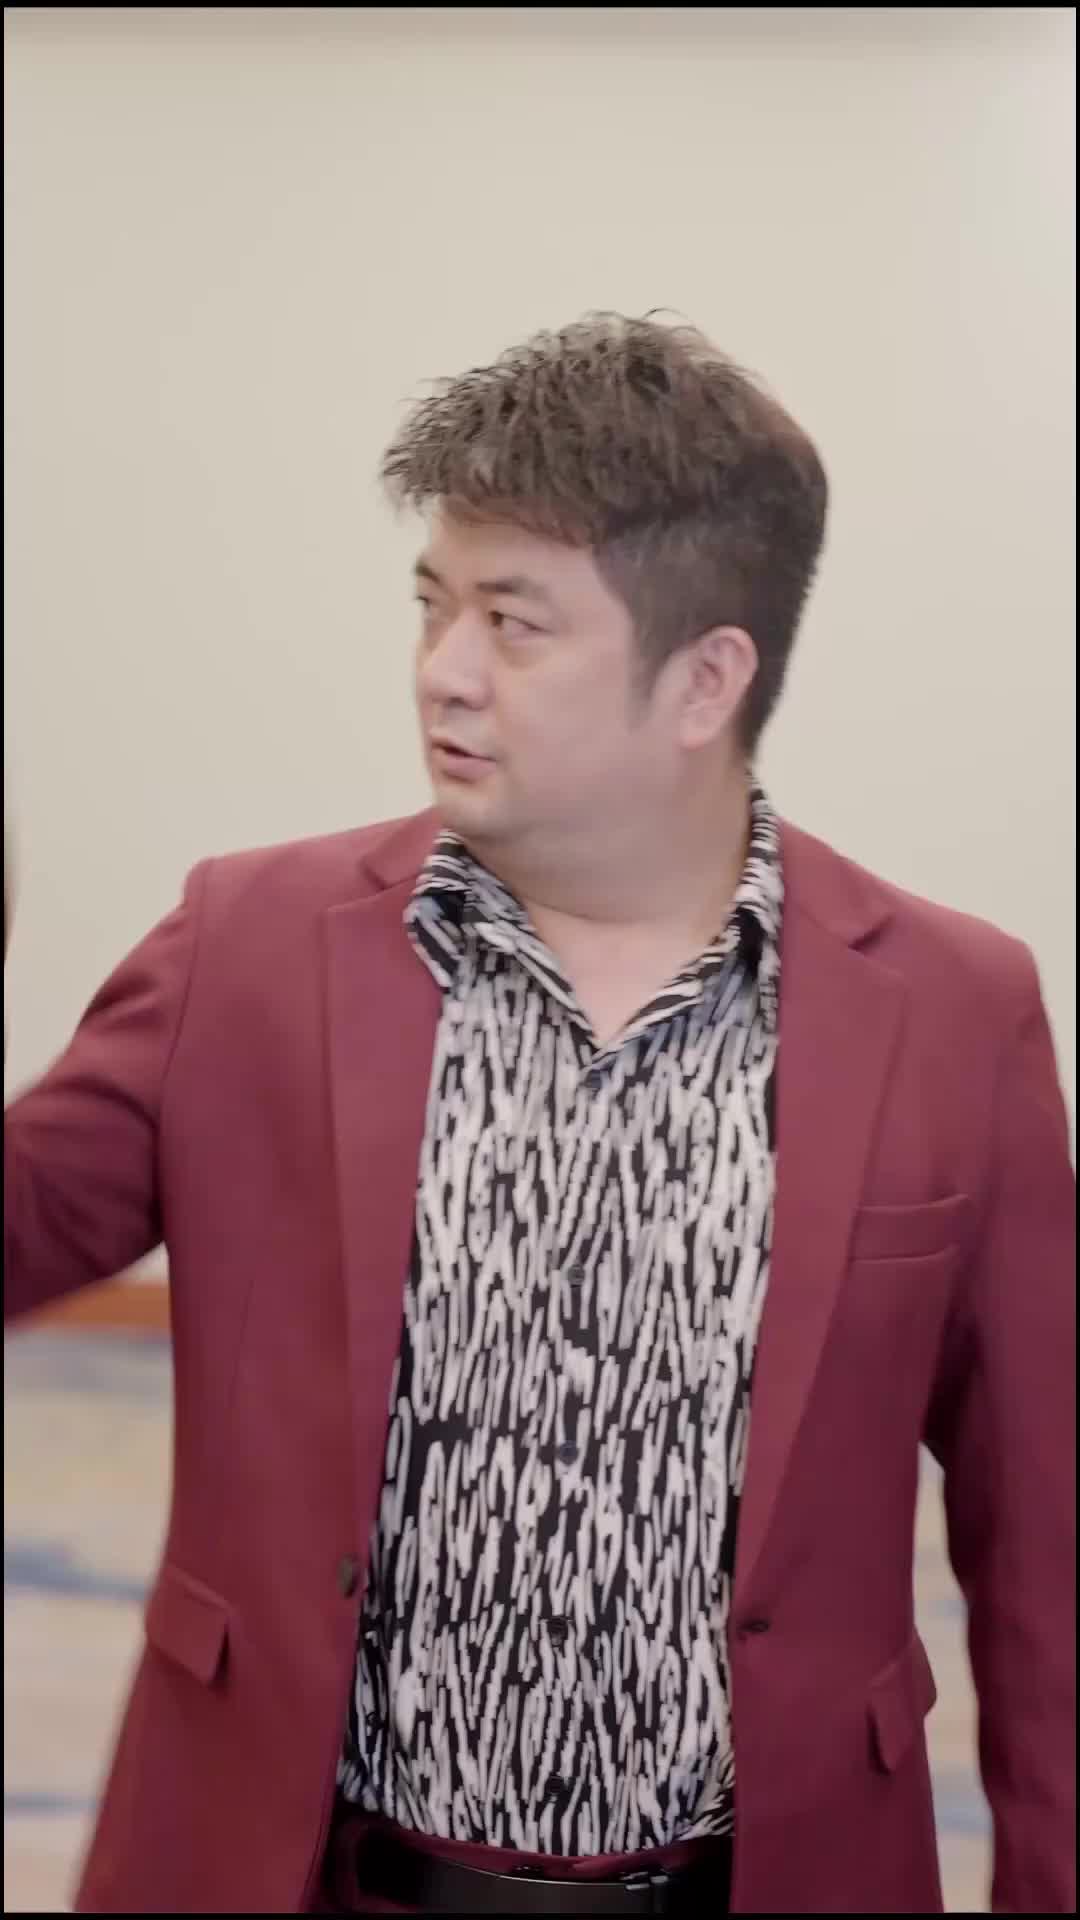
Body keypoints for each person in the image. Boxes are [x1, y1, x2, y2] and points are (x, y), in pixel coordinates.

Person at [4, 314, 1074, 1917]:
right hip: (300, 1876)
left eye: (514, 623)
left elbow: (1050, 1547)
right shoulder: (248, 951)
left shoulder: (951, 1013)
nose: (443, 668)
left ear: (706, 678)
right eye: (433, 604)